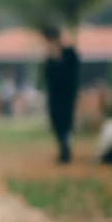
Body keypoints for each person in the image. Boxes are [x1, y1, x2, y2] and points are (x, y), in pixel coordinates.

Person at [42, 27, 80, 164]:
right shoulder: (49, 59)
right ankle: (62, 148)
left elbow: (73, 74)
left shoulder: (69, 54)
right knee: (57, 123)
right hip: (55, 98)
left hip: (67, 96)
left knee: (66, 124)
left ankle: (66, 150)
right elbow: (47, 78)